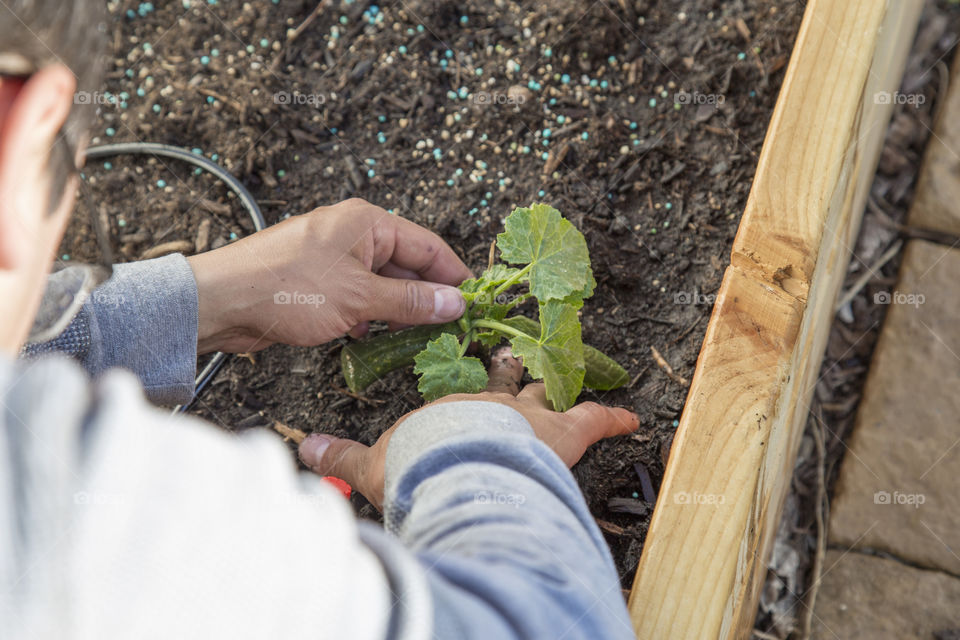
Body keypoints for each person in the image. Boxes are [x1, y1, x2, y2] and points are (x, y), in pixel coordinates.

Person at [0, 2, 639, 638]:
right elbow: (554, 622)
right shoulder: (80, 523)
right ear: (33, 124)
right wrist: (467, 448)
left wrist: (204, 298)